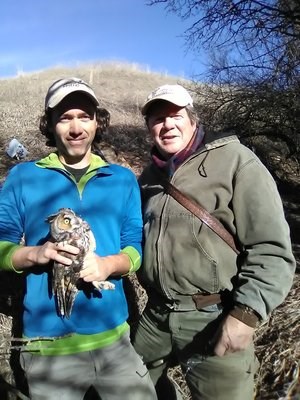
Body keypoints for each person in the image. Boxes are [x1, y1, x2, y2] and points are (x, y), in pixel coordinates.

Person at [132, 84, 296, 400]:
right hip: (156, 313)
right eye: (157, 119)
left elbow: (271, 247)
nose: (167, 125)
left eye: (175, 115)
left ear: (193, 118)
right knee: (125, 389)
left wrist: (246, 315)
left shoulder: (236, 161)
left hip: (213, 315)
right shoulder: (149, 178)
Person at [0, 77, 157, 400]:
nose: (75, 128)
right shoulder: (22, 178)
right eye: (65, 118)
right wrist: (35, 254)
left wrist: (108, 264)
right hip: (49, 347)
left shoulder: (122, 179)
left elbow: (134, 246)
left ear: (97, 122)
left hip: (115, 341)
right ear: (51, 124)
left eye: (84, 116)